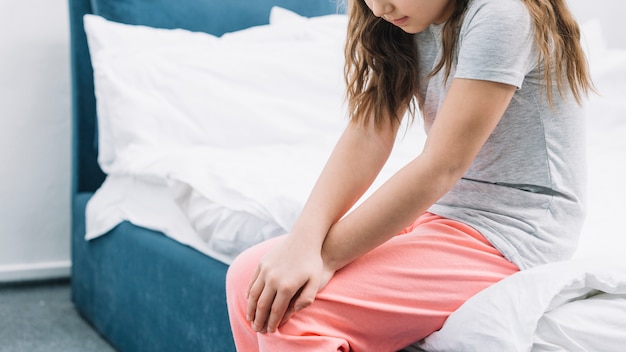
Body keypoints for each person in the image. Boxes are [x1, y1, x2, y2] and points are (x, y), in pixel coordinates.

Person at [226, 0, 594, 350]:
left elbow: (441, 167)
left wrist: (326, 260)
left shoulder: (503, 14)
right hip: (447, 215)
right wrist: (303, 242)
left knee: (295, 310)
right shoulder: (408, 17)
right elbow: (369, 132)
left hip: (516, 231)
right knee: (248, 279)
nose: (379, 8)